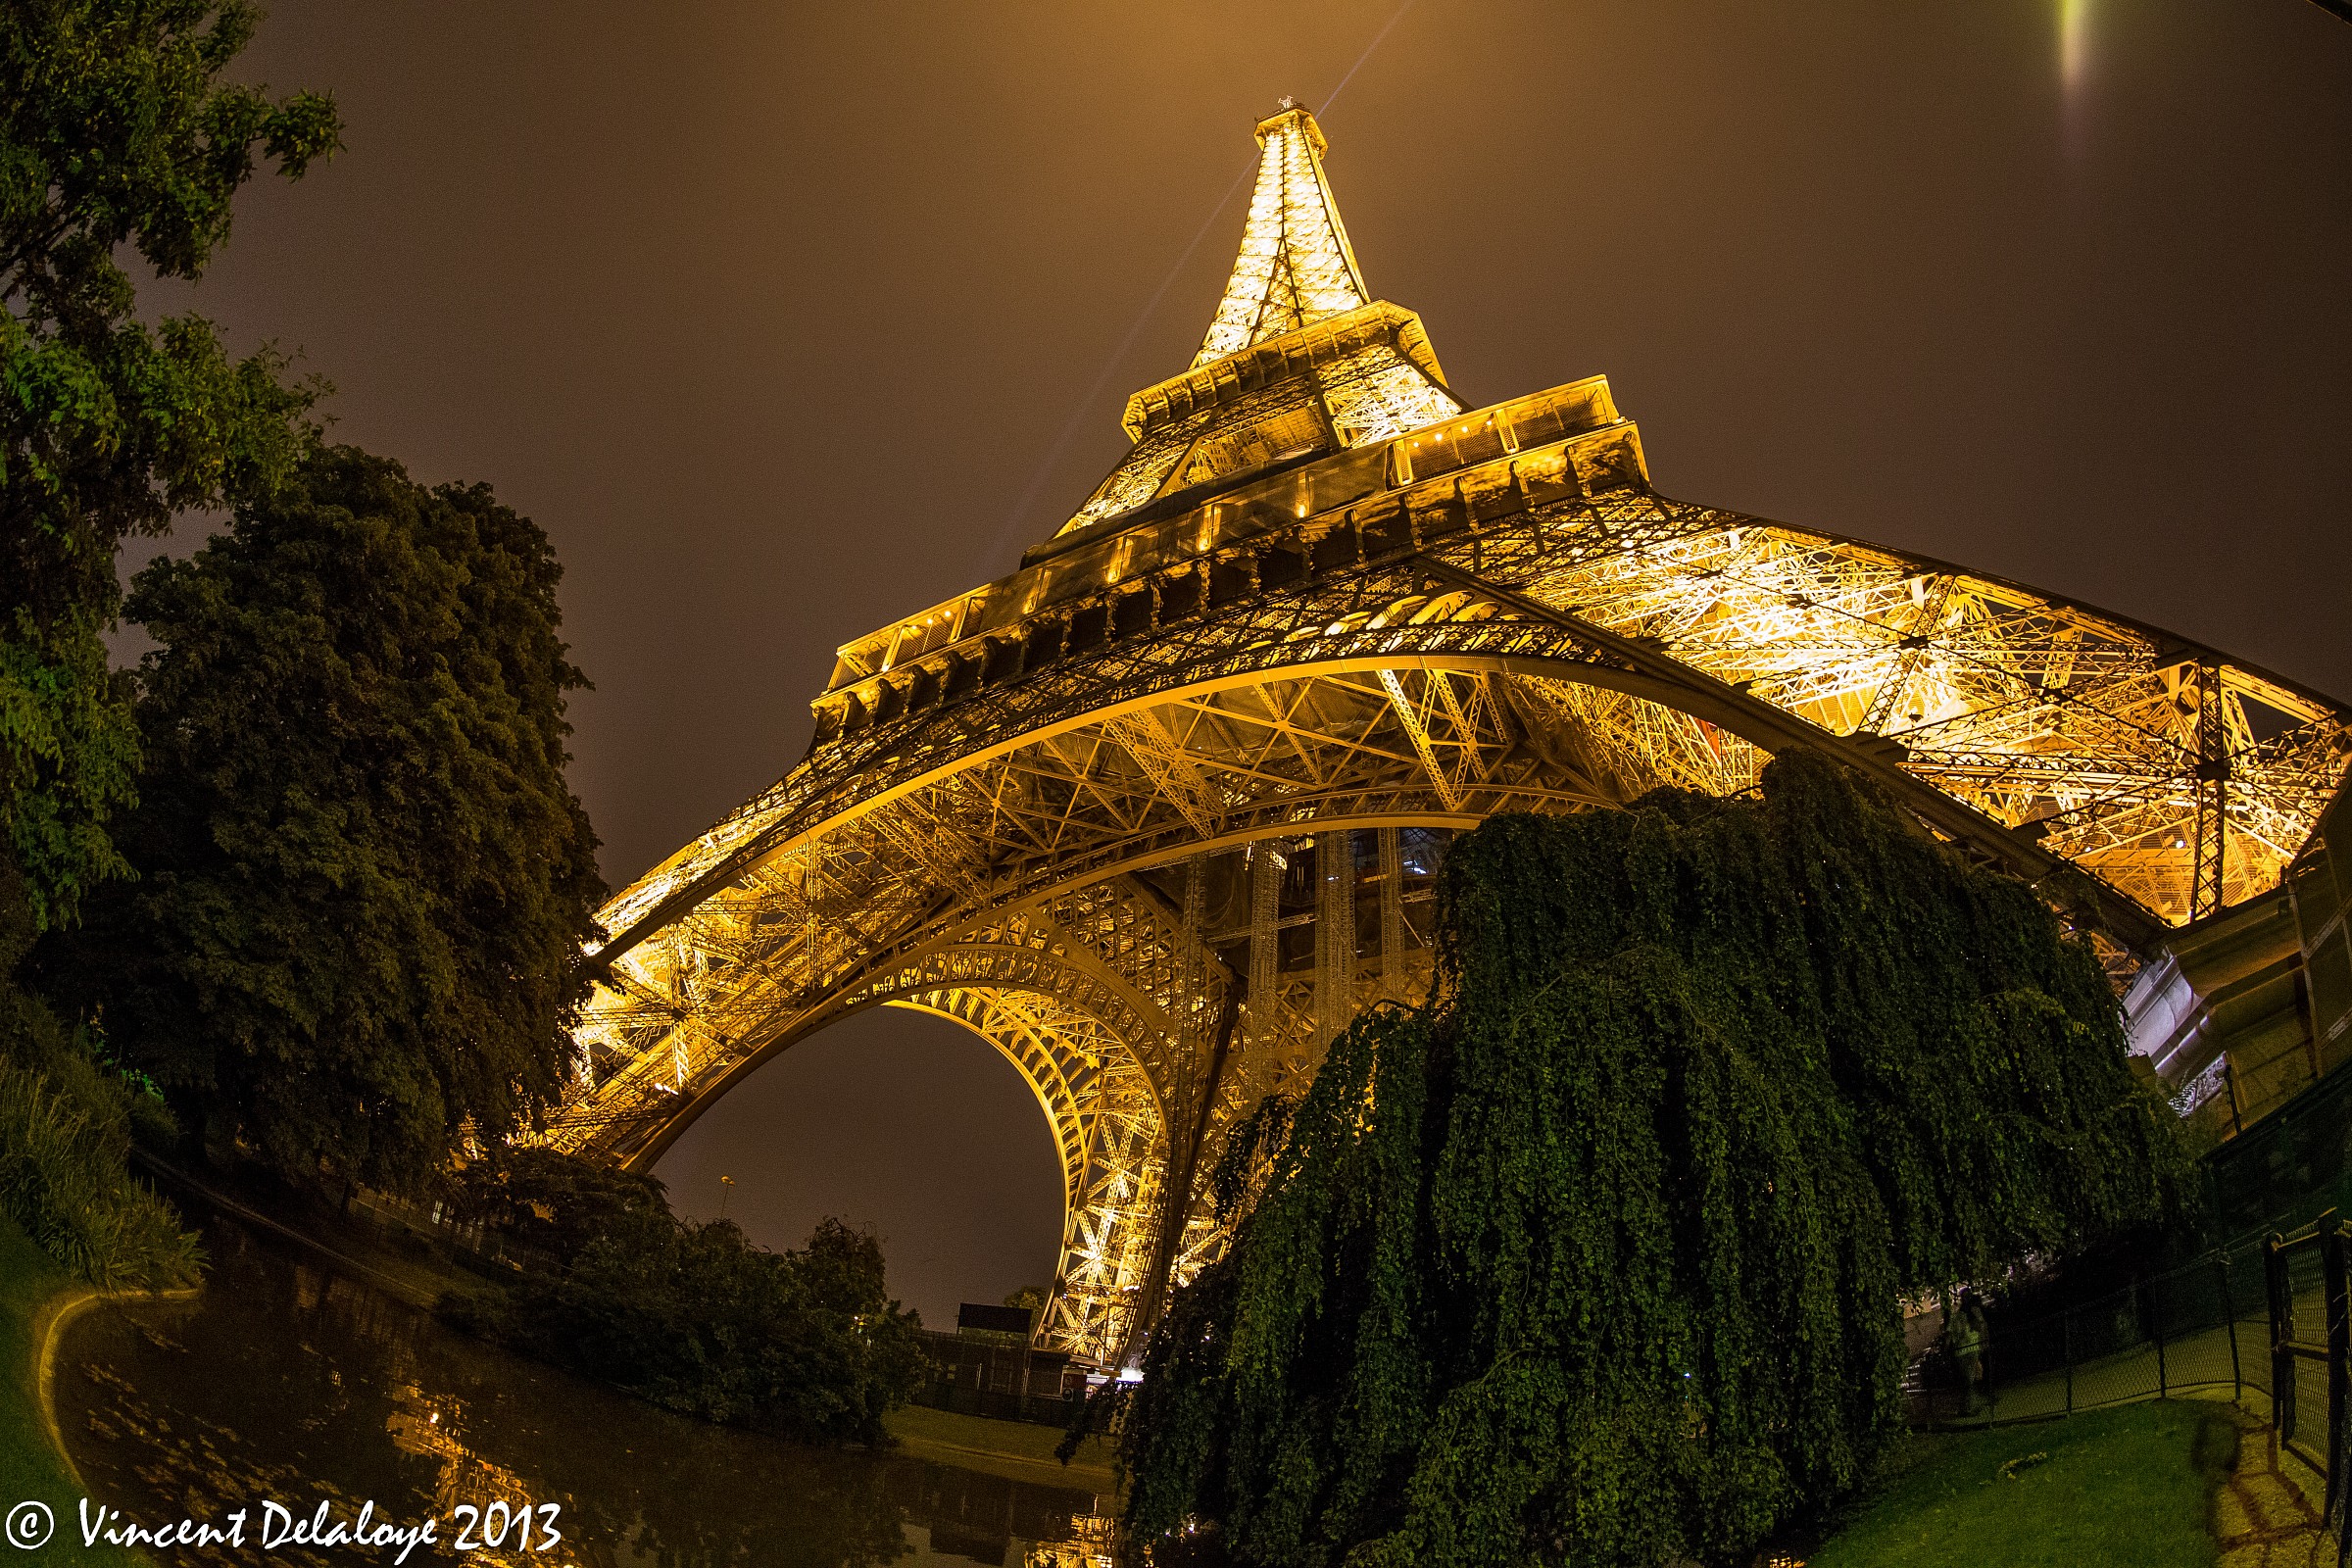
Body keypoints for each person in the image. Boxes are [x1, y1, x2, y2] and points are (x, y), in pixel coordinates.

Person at [1945, 1292, 1989, 1416]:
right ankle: (1969, 1407)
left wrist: (1946, 1347)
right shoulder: (1969, 1314)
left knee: (1969, 1379)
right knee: (1970, 1380)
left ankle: (1968, 1406)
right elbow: (1980, 1327)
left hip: (1963, 1350)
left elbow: (1949, 1333)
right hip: (1970, 1348)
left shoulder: (1959, 1315)